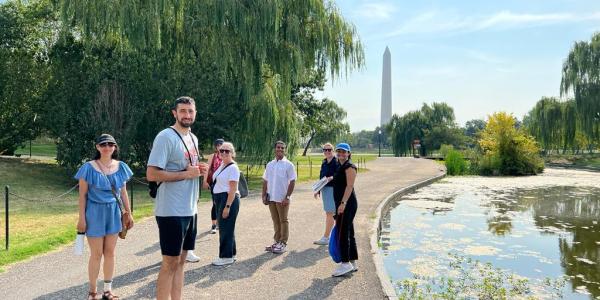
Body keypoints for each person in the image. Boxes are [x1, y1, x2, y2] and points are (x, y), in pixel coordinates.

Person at [147, 96, 208, 300]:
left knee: (182, 262)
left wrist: (199, 170)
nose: (187, 115)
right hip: (171, 210)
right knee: (170, 263)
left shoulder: (193, 137)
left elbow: (187, 167)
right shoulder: (166, 136)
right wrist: (186, 173)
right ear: (174, 113)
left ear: (195, 113)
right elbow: (152, 174)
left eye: (190, 111)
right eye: (182, 111)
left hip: (190, 209)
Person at [75, 134, 134, 300]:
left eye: (110, 144)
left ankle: (108, 290)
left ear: (114, 147)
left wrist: (128, 213)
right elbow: (82, 196)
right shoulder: (88, 167)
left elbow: (123, 192)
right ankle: (92, 292)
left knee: (110, 252)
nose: (107, 147)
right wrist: (81, 218)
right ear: (97, 147)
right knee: (96, 254)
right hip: (94, 212)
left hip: (113, 213)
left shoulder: (121, 166)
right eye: (103, 144)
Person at [262, 141, 297, 254]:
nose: (280, 149)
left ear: (285, 150)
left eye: (282, 148)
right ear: (275, 149)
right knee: (275, 220)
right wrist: (263, 194)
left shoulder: (289, 165)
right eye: (278, 147)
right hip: (271, 197)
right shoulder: (270, 164)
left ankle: (283, 243)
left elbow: (292, 181)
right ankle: (277, 241)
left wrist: (287, 197)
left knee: (283, 220)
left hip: (282, 198)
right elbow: (265, 180)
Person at [330, 142, 359, 277]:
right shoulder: (339, 166)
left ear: (348, 153)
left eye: (344, 152)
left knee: (342, 232)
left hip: (346, 204)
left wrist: (343, 203)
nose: (341, 154)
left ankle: (345, 263)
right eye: (339, 151)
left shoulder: (350, 167)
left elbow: (349, 186)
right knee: (348, 231)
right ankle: (352, 261)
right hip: (343, 204)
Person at [210, 142, 241, 266]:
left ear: (232, 153)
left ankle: (225, 256)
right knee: (228, 228)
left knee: (225, 228)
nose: (223, 153)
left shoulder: (233, 168)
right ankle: (231, 253)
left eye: (227, 151)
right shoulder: (222, 165)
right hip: (220, 198)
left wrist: (227, 206)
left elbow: (232, 189)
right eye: (221, 150)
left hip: (228, 199)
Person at [313, 142, 338, 245]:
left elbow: (339, 175)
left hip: (333, 189)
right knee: (331, 213)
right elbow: (321, 177)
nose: (327, 152)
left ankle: (326, 237)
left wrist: (331, 177)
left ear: (333, 151)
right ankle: (334, 237)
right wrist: (317, 190)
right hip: (325, 189)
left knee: (330, 213)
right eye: (325, 150)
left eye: (329, 150)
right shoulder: (324, 162)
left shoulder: (336, 162)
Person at [204, 138, 224, 235]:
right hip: (214, 183)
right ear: (216, 146)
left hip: (224, 184)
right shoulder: (213, 156)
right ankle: (214, 224)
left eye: (222, 144)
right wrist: (204, 181)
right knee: (215, 203)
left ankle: (221, 223)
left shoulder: (226, 156)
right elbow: (207, 169)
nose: (220, 146)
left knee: (223, 203)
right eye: (218, 144)